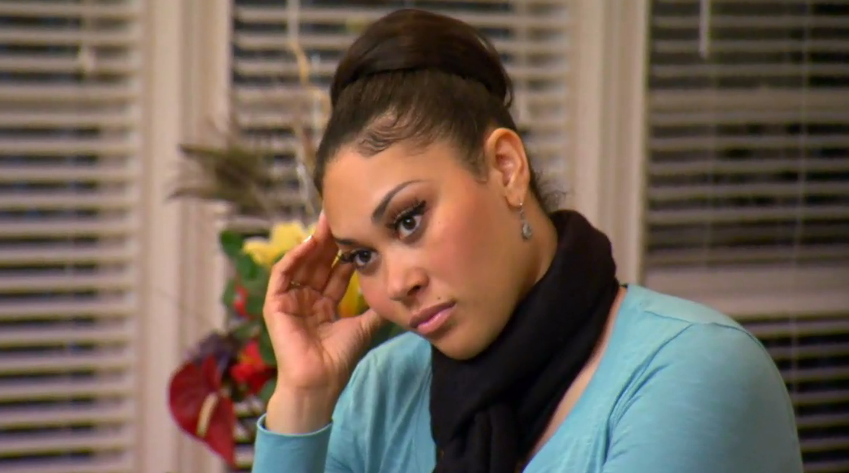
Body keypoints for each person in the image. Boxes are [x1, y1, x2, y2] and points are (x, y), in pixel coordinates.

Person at [249, 8, 803, 473]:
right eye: (363, 256)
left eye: (410, 220)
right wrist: (303, 397)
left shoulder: (696, 371)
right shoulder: (382, 390)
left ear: (506, 168)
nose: (398, 284)